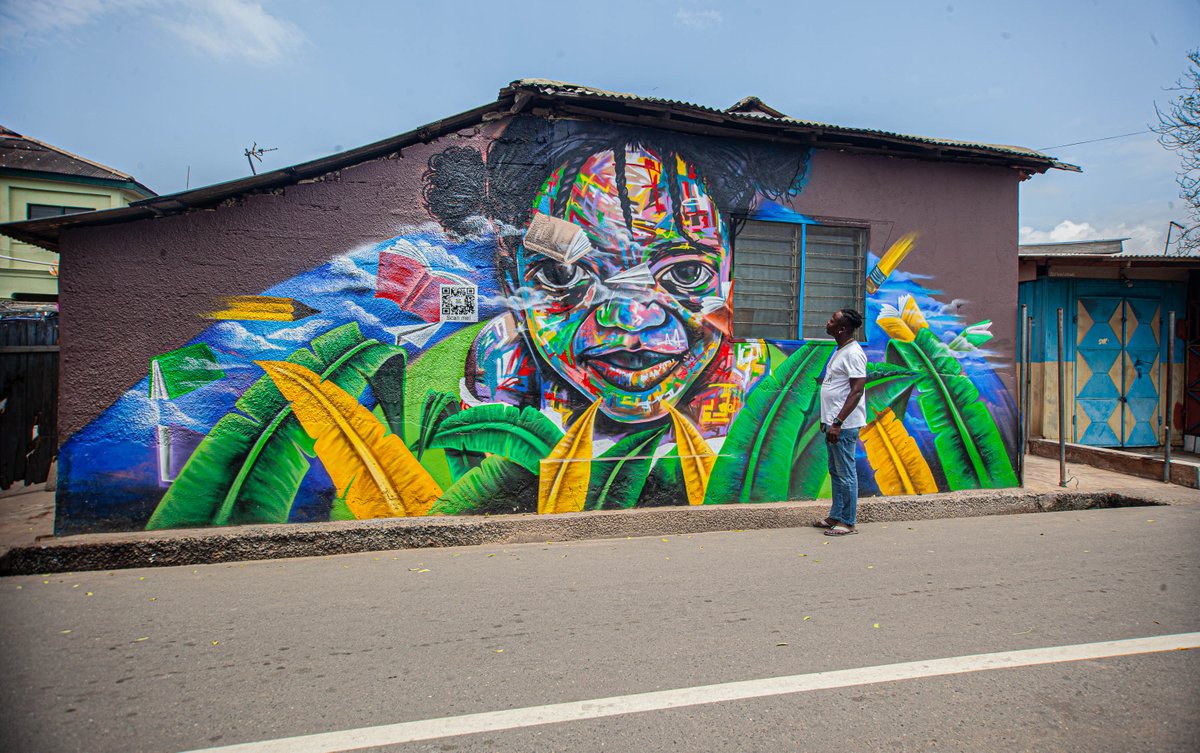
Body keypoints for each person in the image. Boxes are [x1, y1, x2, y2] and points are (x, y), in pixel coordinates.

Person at [814, 308, 867, 535]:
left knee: (846, 472)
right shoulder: (841, 350)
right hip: (834, 422)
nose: (828, 323)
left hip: (844, 424)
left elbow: (856, 390)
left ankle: (848, 521)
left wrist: (837, 422)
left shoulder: (853, 353)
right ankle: (836, 516)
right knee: (836, 471)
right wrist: (827, 420)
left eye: (832, 321)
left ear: (842, 328)